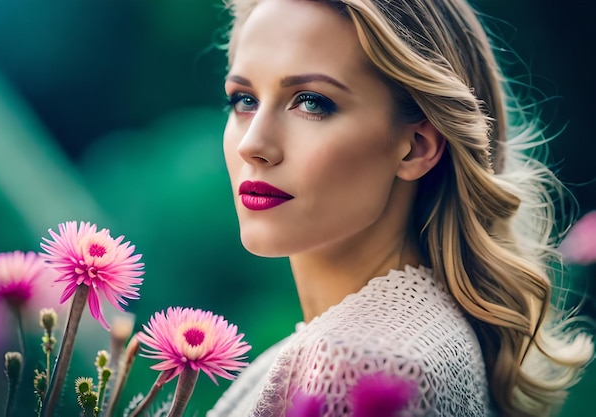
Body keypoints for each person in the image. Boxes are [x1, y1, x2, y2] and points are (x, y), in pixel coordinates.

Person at [208, 0, 594, 416]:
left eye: (311, 102)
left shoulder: (357, 369)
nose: (252, 144)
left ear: (416, 147)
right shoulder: (413, 341)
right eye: (244, 100)